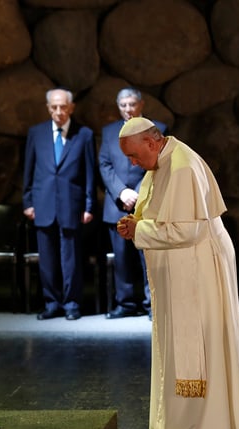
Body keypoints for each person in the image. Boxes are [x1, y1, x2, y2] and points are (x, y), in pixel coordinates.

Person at [117, 117, 239, 429]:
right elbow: (155, 212)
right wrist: (135, 223)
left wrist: (139, 231)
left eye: (134, 156)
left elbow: (185, 231)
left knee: (200, 351)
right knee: (182, 350)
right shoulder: (162, 162)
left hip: (198, 268)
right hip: (185, 266)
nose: (133, 164)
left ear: (151, 142)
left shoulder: (180, 167)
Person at [23, 88, 96, 321]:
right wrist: (28, 201)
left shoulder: (83, 134)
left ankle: (72, 303)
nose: (58, 112)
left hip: (71, 205)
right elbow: (29, 170)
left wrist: (88, 205)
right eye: (54, 107)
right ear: (48, 108)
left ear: (71, 108)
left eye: (63, 107)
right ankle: (51, 302)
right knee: (48, 259)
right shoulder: (36, 133)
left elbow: (89, 174)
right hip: (43, 204)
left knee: (71, 259)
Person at [99, 87, 166, 319]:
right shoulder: (108, 132)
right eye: (123, 105)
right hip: (117, 206)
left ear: (141, 105)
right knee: (122, 260)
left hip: (146, 205)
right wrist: (122, 192)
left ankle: (152, 305)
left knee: (148, 258)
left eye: (132, 104)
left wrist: (137, 194)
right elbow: (104, 165)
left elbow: (158, 165)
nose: (128, 109)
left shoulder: (158, 130)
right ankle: (125, 303)